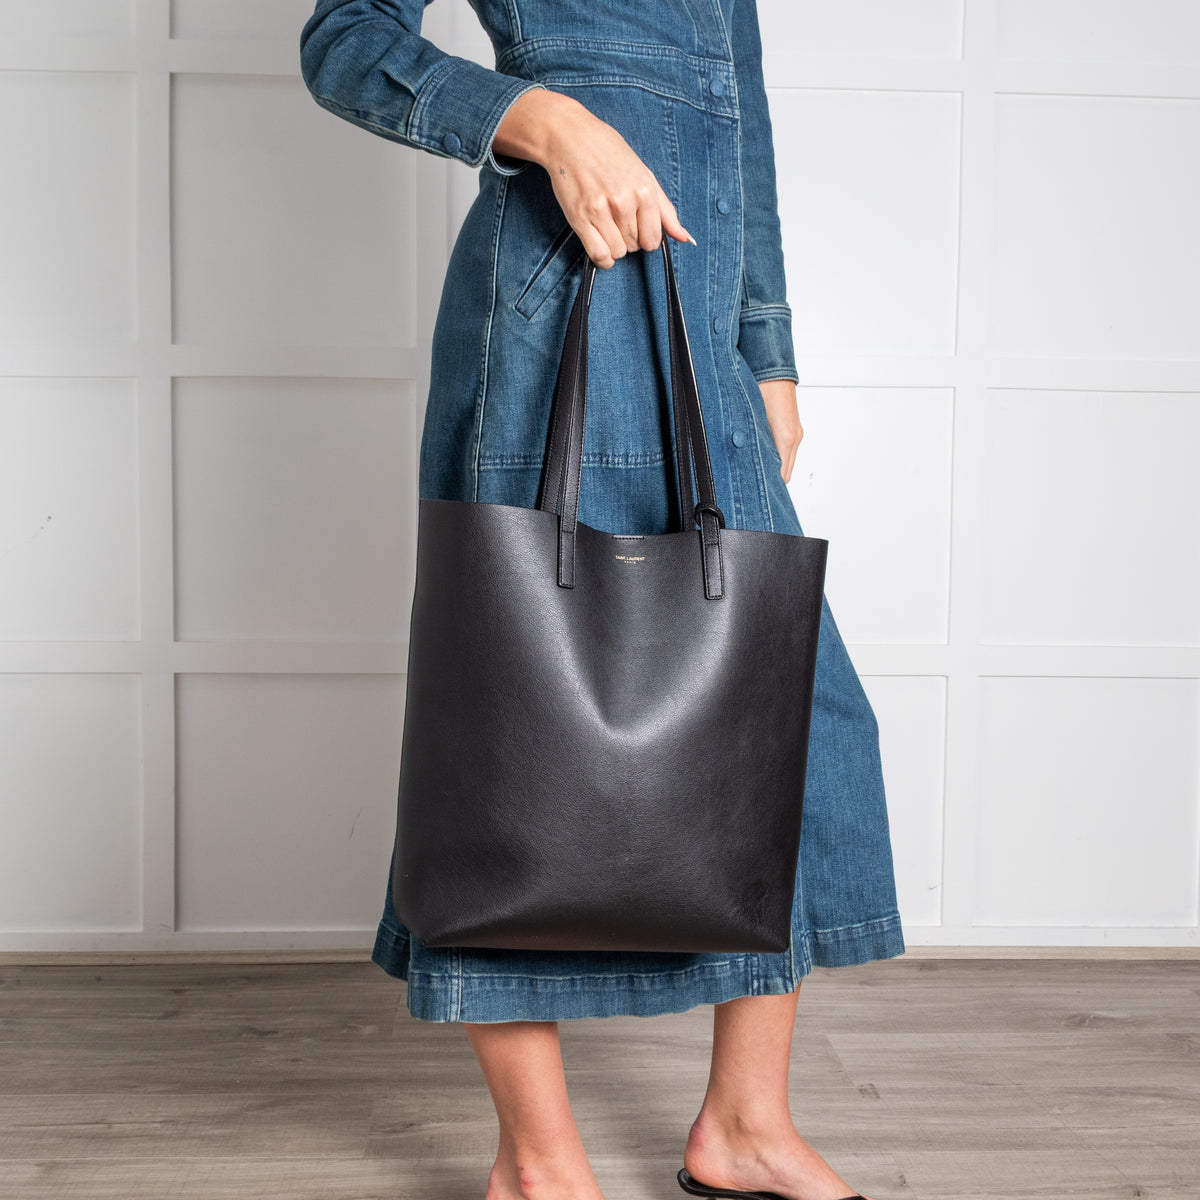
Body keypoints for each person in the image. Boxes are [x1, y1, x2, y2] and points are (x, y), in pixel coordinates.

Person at [299, 3, 904, 1199]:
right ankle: (539, 1162)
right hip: (553, 298)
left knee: (790, 713)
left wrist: (767, 348)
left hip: (699, 323)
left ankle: (744, 1126)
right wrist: (537, 119)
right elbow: (345, 38)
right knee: (517, 727)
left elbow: (743, 114)